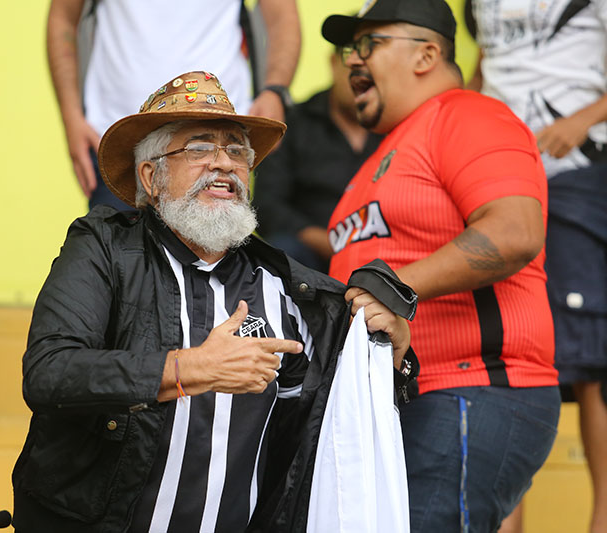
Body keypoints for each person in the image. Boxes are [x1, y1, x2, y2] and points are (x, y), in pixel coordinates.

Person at [11, 70, 416, 532]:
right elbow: (50, 373)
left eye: (237, 150)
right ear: (152, 176)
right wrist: (190, 369)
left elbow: (351, 420)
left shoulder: (292, 290)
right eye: (200, 148)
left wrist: (394, 349)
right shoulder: (104, 247)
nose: (224, 163)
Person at [321, 0, 561, 531]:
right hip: (398, 401)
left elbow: (515, 232)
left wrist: (391, 288)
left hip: (471, 389)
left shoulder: (468, 115)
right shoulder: (387, 155)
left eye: (369, 44)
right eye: (347, 50)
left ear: (427, 54)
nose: (351, 62)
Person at [465, 1, 607, 531]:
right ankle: (508, 521)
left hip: (576, 172)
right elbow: (489, 61)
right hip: (496, 177)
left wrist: (582, 120)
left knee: (591, 363)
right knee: (507, 352)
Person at [46, 0, 300, 209]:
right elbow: (63, 17)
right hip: (116, 137)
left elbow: (282, 16)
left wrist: (275, 91)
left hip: (220, 135)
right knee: (118, 262)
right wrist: (71, 116)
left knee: (215, 262)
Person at [254, 51, 381, 272]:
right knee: (282, 251)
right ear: (334, 61)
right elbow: (267, 205)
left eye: (370, 73)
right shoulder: (293, 124)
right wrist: (328, 243)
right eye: (354, 69)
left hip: (385, 253)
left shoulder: (401, 127)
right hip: (309, 256)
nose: (361, 80)